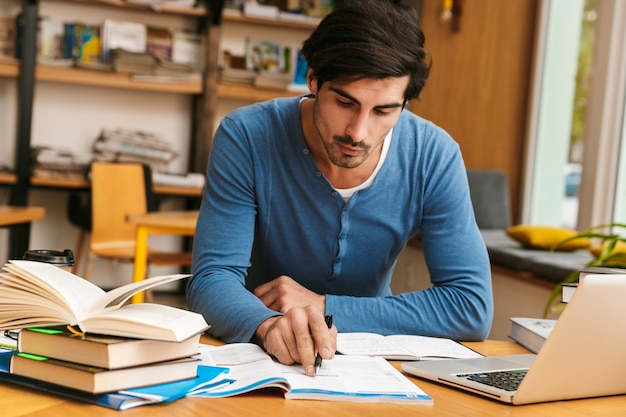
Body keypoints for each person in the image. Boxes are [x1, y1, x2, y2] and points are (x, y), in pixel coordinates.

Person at [187, 0, 493, 377]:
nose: (358, 132)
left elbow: (470, 305)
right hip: (260, 349)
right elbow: (211, 279)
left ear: (405, 103)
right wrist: (266, 325)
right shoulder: (247, 136)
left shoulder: (434, 154)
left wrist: (323, 305)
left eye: (384, 111)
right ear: (313, 80)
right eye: (345, 102)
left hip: (371, 357)